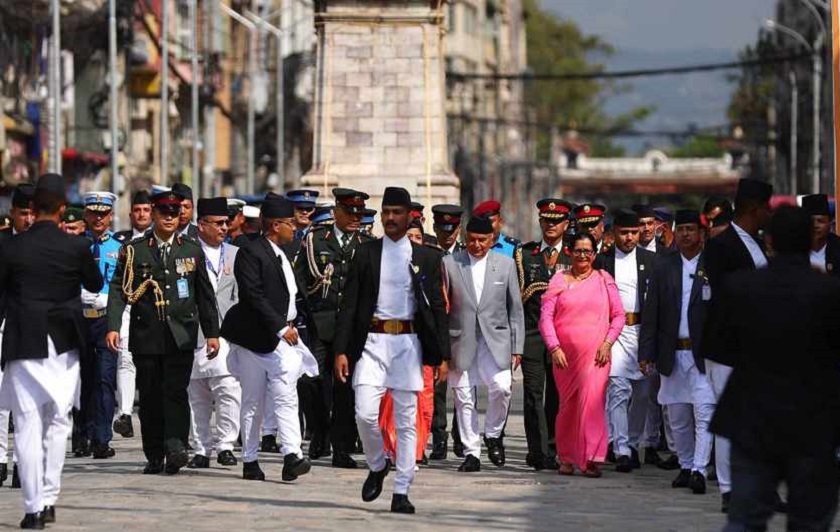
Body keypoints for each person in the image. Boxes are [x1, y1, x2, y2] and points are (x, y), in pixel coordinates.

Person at [711, 206, 840, 531]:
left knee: (744, 520)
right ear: (811, 241)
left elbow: (717, 347)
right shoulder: (829, 292)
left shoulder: (739, 288)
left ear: (768, 241)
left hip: (751, 418)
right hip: (814, 422)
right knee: (810, 523)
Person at [333, 187, 449, 514]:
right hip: (372, 342)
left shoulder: (427, 256)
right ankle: (377, 464)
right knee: (364, 413)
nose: (390, 218)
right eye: (386, 212)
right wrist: (342, 349)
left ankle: (402, 490)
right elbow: (350, 305)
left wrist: (442, 355)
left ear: (410, 215)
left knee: (406, 420)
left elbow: (438, 307)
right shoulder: (366, 253)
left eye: (397, 212)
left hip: (408, 344)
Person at [0, 173, 103, 528]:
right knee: (58, 422)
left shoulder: (10, 247)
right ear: (62, 209)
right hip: (63, 343)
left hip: (23, 340)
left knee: (26, 425)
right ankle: (49, 497)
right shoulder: (75, 247)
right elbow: (95, 283)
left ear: (31, 208)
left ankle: (31, 509)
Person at [105, 189, 220, 476]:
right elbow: (118, 290)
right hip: (147, 335)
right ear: (154, 214)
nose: (169, 218)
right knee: (152, 397)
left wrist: (213, 333)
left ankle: (176, 446)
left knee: (176, 392)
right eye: (164, 213)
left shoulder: (190, 249)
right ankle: (154, 454)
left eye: (174, 213)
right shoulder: (135, 249)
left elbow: (204, 295)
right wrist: (113, 326)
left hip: (180, 333)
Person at [220, 195, 316, 482]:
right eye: (290, 224)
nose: (294, 229)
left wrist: (293, 324)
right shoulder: (252, 252)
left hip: (280, 335)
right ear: (275, 225)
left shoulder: (281, 253)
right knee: (253, 400)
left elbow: (290, 294)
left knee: (287, 388)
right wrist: (279, 327)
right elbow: (253, 295)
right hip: (255, 337)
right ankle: (250, 459)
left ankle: (291, 455)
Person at [702, 177, 773, 513]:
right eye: (767, 208)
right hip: (729, 348)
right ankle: (729, 490)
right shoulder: (722, 245)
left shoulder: (760, 244)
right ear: (754, 209)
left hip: (759, 349)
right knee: (729, 419)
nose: (769, 214)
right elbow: (725, 300)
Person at [294, 188, 373, 467]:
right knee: (310, 380)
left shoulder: (366, 243)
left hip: (350, 328)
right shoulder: (316, 239)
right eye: (350, 212)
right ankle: (318, 430)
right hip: (320, 322)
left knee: (344, 388)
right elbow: (300, 277)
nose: (355, 218)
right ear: (336, 210)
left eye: (359, 213)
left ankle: (341, 447)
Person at [640, 209, 715, 495]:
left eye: (690, 229)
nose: (685, 234)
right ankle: (685, 465)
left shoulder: (712, 266)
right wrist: (646, 352)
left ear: (701, 234)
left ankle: (699, 468)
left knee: (704, 411)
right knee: (678, 414)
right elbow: (651, 313)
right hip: (672, 352)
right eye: (680, 229)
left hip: (703, 354)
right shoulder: (664, 266)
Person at [538, 232, 625, 478]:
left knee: (592, 403)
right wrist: (554, 347)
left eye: (588, 251)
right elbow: (545, 317)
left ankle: (591, 458)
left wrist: (608, 343)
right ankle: (565, 457)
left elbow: (618, 315)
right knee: (568, 406)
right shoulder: (559, 279)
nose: (583, 256)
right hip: (564, 357)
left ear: (594, 254)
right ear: (570, 252)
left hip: (597, 355)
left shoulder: (603, 279)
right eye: (578, 251)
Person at [443, 215, 524, 473]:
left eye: (482, 240)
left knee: (502, 388)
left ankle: (492, 433)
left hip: (495, 340)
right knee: (463, 396)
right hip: (461, 339)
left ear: (492, 240)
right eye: (471, 240)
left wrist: (517, 346)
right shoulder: (449, 263)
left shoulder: (506, 264)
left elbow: (515, 309)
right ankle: (471, 452)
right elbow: (443, 307)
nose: (476, 245)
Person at [594, 209, 656, 473]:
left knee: (643, 392)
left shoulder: (652, 260)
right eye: (624, 233)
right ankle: (620, 449)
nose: (630, 238)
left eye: (634, 233)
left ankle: (631, 441)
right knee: (618, 389)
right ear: (613, 233)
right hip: (613, 332)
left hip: (643, 330)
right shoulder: (602, 261)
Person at [514, 198, 572, 471]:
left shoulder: (574, 256)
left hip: (564, 337)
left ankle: (554, 446)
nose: (551, 225)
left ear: (566, 225)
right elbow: (515, 301)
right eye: (546, 220)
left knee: (557, 395)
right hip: (533, 334)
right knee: (532, 394)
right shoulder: (526, 254)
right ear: (540, 222)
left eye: (556, 221)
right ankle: (536, 450)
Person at [186, 198, 241, 469]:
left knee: (228, 389)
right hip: (194, 333)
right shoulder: (188, 252)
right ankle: (201, 448)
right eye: (218, 223)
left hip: (227, 335)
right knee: (197, 395)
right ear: (202, 225)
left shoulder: (234, 254)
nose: (224, 227)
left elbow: (241, 296)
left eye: (226, 223)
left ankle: (226, 444)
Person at [75, 192, 122, 460]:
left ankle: (102, 438)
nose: (98, 219)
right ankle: (82, 435)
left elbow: (123, 283)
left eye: (103, 214)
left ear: (110, 216)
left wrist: (110, 298)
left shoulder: (118, 247)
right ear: (86, 215)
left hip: (106, 318)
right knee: (82, 378)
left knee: (105, 379)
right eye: (93, 213)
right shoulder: (76, 246)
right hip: (80, 317)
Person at [428, 203, 465, 460]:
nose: (447, 234)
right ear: (435, 228)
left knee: (463, 388)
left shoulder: (466, 255)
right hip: (436, 328)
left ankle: (461, 437)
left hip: (461, 329)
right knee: (438, 386)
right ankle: (438, 437)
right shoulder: (428, 254)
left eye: (452, 229)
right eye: (442, 228)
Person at [801, 194, 840, 276]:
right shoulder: (795, 249)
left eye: (820, 221)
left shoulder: (837, 247)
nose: (815, 226)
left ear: (830, 223)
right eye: (811, 221)